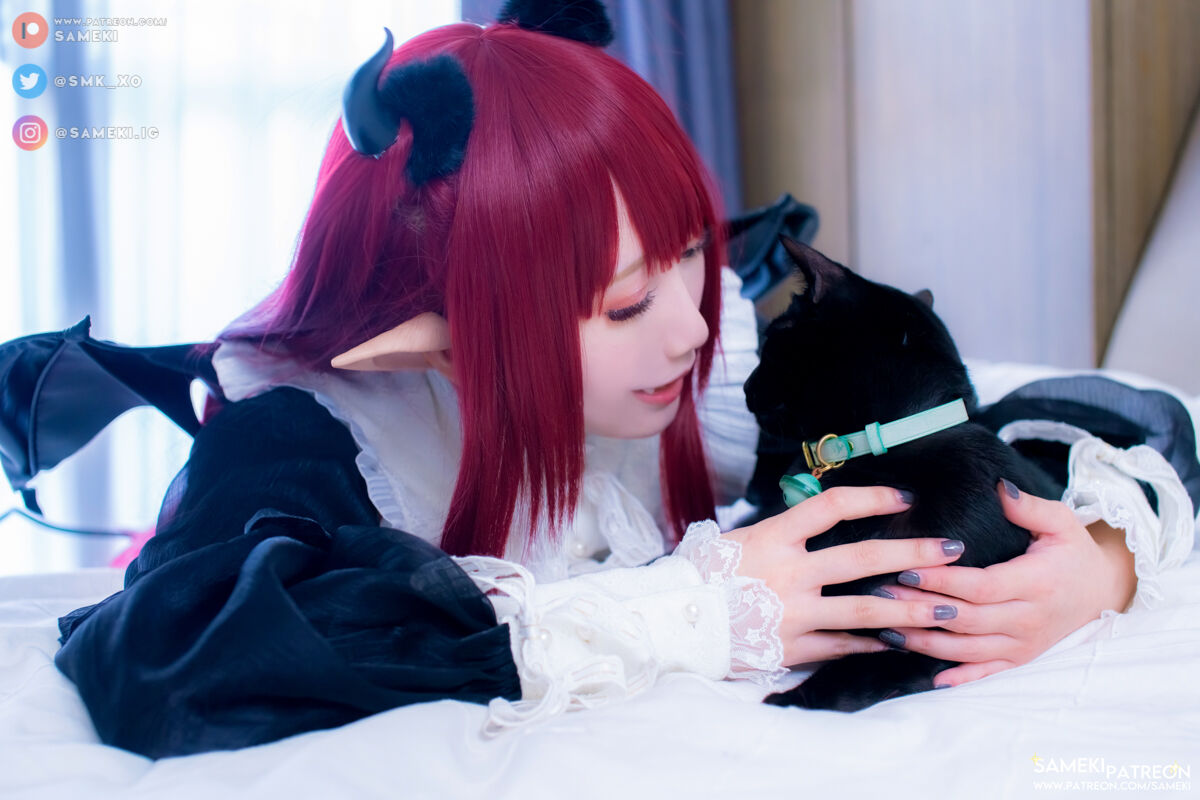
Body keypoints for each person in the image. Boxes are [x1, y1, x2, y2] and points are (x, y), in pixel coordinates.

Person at [51, 0, 1182, 760]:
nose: (692, 325)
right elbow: (172, 658)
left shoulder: (707, 366)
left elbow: (1095, 416)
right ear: (440, 334)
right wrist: (688, 611)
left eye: (689, 253)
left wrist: (1100, 559)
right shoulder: (320, 432)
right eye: (626, 302)